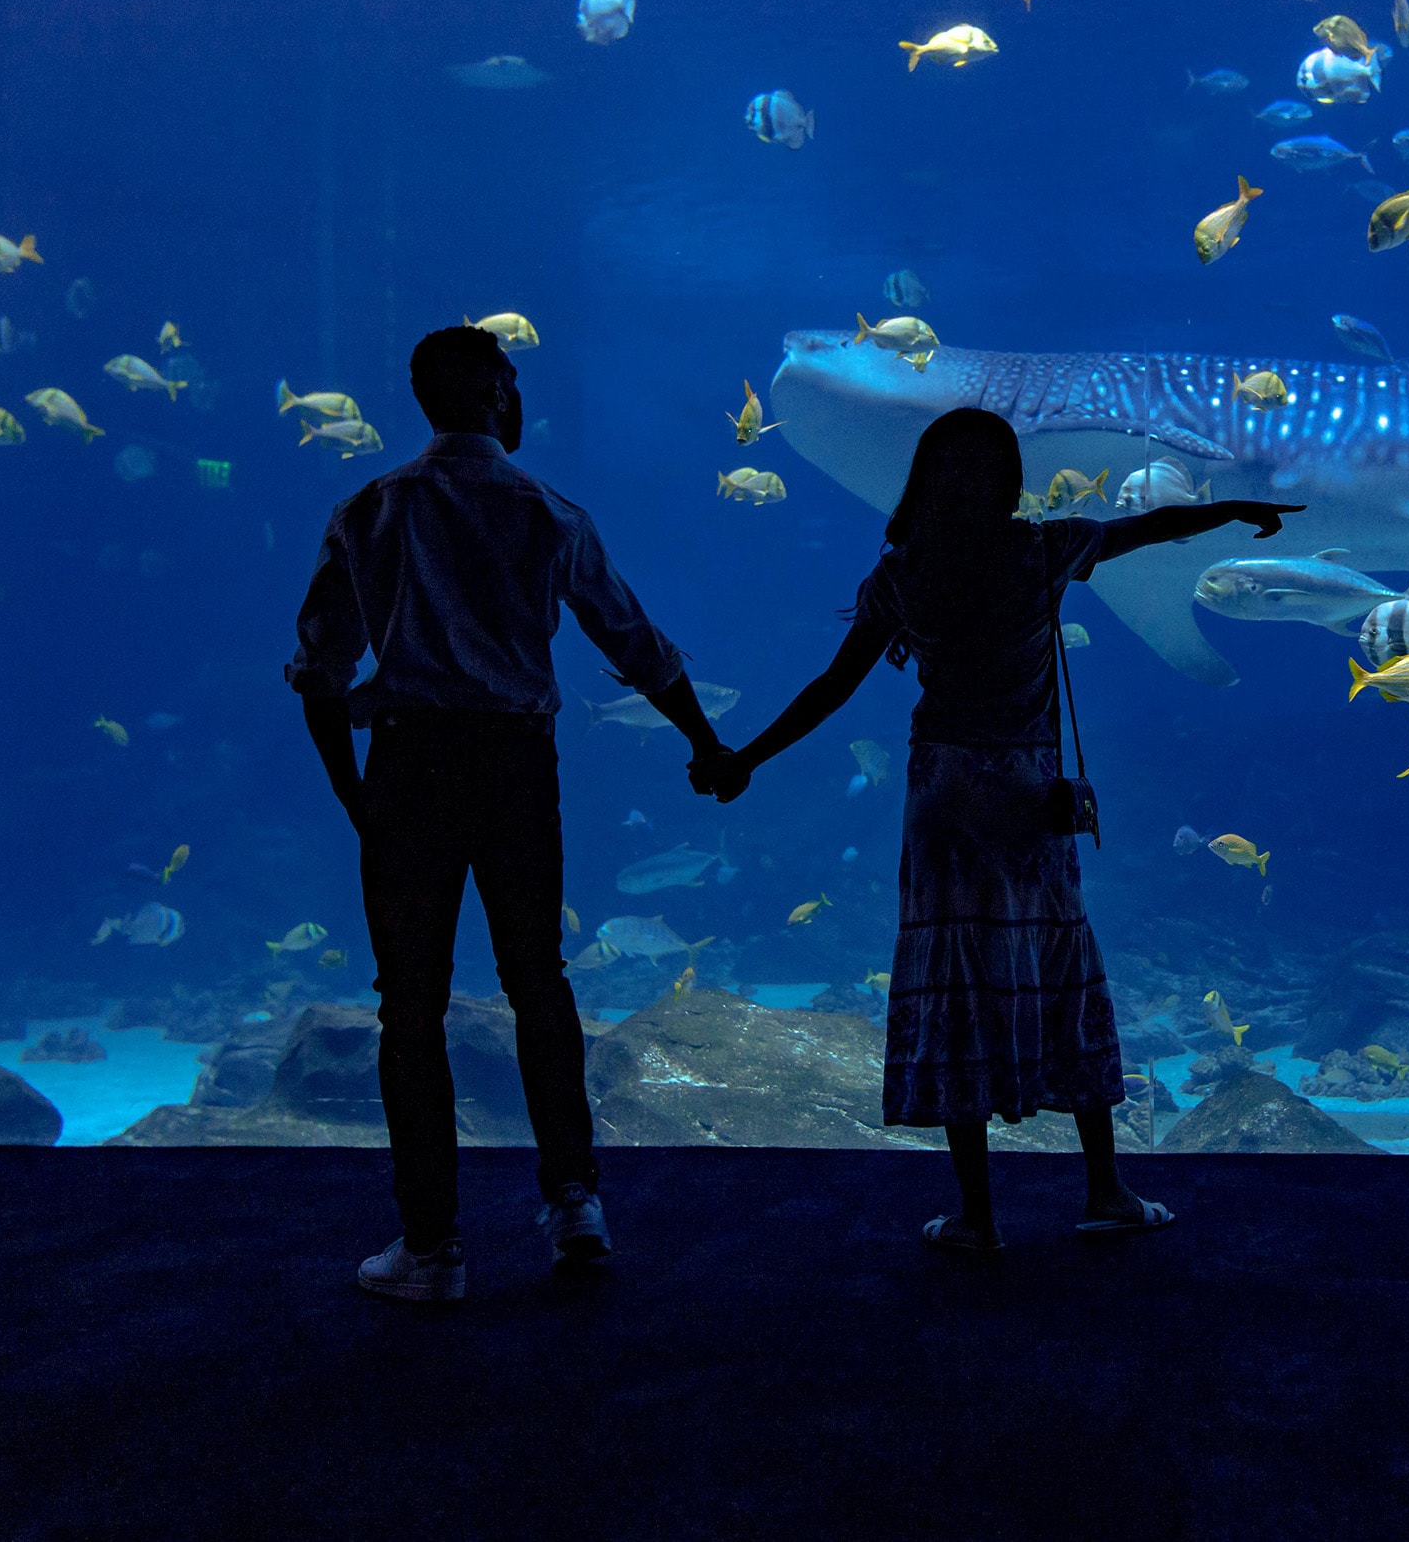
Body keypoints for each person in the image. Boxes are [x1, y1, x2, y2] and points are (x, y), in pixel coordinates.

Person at [695, 408, 1297, 1252]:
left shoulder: (903, 571)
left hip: (943, 794)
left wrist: (747, 757)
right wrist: (1230, 509)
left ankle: (978, 1216)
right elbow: (1144, 530)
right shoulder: (1042, 549)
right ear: (1010, 478)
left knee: (956, 983)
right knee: (1061, 968)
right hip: (1024, 794)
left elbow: (833, 686)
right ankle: (1105, 1190)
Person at [286, 325, 733, 1302]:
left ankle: (431, 1247)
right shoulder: (546, 509)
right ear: (492, 392)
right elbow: (633, 640)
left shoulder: (370, 508)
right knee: (540, 980)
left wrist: (353, 793)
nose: (522, 396)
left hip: (407, 763)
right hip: (517, 766)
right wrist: (705, 741)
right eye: (514, 380)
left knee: (410, 1003)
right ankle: (575, 1199)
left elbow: (320, 667)